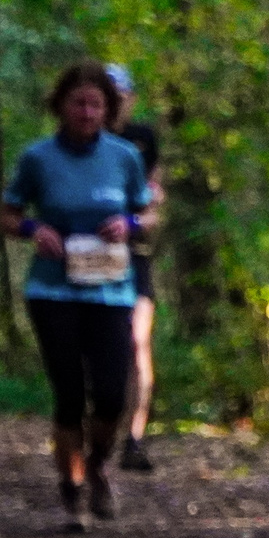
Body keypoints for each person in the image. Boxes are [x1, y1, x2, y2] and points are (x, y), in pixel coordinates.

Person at [0, 61, 150, 532]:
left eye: (96, 104)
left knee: (109, 394)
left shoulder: (125, 157)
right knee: (68, 394)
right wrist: (31, 229)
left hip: (110, 291)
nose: (87, 112)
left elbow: (148, 215)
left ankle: (100, 462)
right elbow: (6, 213)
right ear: (61, 106)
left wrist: (130, 225)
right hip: (53, 290)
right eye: (78, 103)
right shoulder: (38, 158)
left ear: (109, 110)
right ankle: (72, 489)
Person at [104, 63, 163, 471]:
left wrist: (137, 221)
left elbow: (158, 200)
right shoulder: (77, 141)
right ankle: (98, 433)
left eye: (119, 95)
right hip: (87, 258)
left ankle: (135, 438)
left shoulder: (144, 141)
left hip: (133, 255)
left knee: (138, 343)